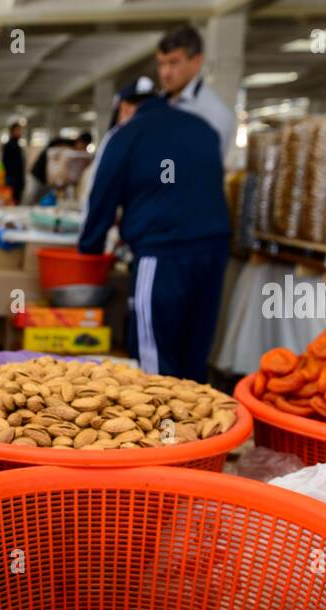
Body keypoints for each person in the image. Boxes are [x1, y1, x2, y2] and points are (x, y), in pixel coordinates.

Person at [76, 79, 230, 382]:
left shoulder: (126, 134)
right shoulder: (202, 128)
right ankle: (198, 424)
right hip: (213, 251)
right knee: (194, 350)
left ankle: (164, 428)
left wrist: (90, 247)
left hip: (162, 254)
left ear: (124, 107)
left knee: (154, 359)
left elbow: (102, 196)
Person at [155, 25, 236, 158]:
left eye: (173, 63)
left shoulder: (214, 113)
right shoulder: (153, 105)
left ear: (197, 62)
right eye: (161, 64)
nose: (165, 73)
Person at [26, 132, 90, 205]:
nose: (83, 149)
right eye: (84, 146)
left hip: (47, 180)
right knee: (30, 198)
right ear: (80, 141)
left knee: (42, 201)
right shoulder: (63, 145)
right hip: (37, 175)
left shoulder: (72, 152)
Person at [0, 121, 26, 206]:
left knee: (17, 200)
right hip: (12, 180)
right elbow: (5, 163)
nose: (19, 133)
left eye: (20, 130)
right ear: (12, 131)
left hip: (18, 180)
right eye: (17, 130)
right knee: (11, 201)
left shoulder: (18, 145)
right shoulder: (8, 146)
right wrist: (10, 178)